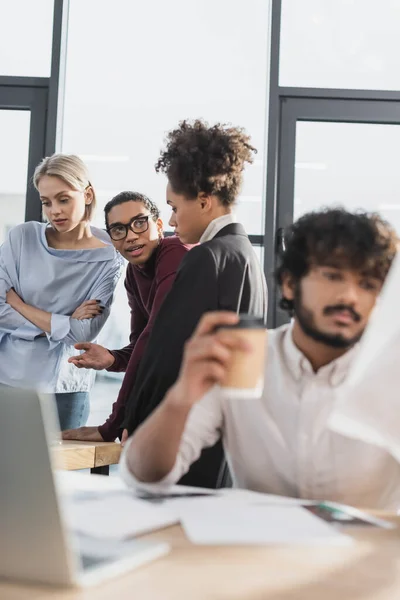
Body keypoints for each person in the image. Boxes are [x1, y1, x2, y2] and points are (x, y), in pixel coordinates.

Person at [120, 208, 400, 510]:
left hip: (368, 553)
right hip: (257, 551)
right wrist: (180, 398)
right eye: (332, 276)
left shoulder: (388, 372)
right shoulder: (243, 359)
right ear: (290, 284)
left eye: (368, 285)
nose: (350, 297)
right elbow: (144, 478)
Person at [122, 119, 268, 488]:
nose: (170, 221)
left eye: (173, 207)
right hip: (221, 434)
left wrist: (135, 424)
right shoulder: (246, 255)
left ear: (204, 200)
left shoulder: (208, 257)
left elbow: (167, 353)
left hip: (184, 438)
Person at [0, 154, 122, 430]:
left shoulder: (109, 257)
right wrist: (64, 322)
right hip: (7, 379)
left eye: (63, 199)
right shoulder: (22, 238)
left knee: (57, 473)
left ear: (87, 194)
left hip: (65, 390)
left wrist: (20, 305)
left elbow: (82, 334)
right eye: (46, 202)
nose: (54, 210)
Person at [61, 191, 190, 442]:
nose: (131, 236)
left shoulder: (174, 253)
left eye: (139, 223)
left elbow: (153, 339)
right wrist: (111, 358)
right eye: (118, 230)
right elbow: (140, 345)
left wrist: (112, 424)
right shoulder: (133, 274)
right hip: (167, 395)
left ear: (160, 225)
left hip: (195, 397)